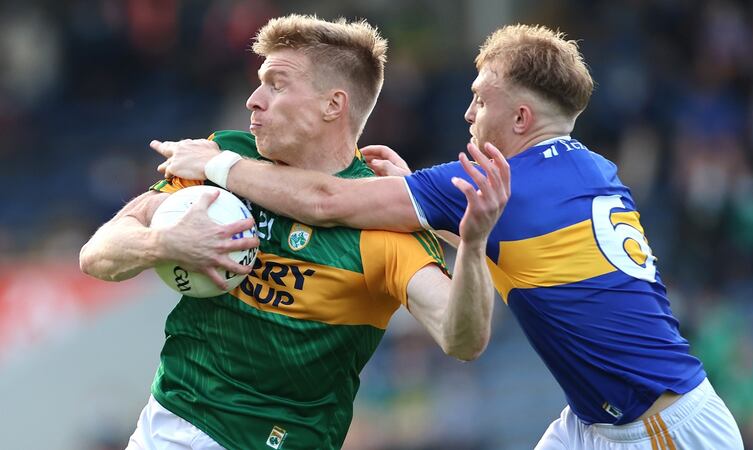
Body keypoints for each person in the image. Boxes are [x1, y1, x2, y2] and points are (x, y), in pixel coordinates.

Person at [155, 24, 745, 449]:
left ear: (520, 119)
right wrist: (419, 194)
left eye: (480, 98)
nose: (467, 115)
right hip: (598, 421)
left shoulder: (500, 180)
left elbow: (324, 200)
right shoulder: (590, 170)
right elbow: (507, 237)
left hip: (659, 429)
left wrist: (216, 165)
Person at [80, 15, 508, 450]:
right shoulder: (222, 157)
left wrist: (472, 245)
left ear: (332, 105)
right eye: (258, 82)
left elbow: (463, 339)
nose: (253, 100)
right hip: (167, 424)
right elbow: (96, 254)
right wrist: (162, 243)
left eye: (276, 84)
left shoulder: (383, 227)